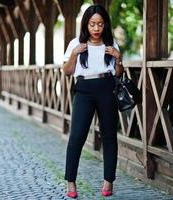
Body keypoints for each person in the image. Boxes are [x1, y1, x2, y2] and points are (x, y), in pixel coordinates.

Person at [62, 4, 124, 198]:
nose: (96, 29)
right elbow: (67, 71)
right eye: (92, 24)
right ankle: (71, 182)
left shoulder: (111, 44)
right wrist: (74, 54)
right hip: (84, 90)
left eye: (100, 24)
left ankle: (108, 182)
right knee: (77, 137)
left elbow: (118, 74)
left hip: (106, 88)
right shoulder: (75, 43)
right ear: (86, 25)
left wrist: (119, 59)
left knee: (109, 136)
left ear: (105, 25)